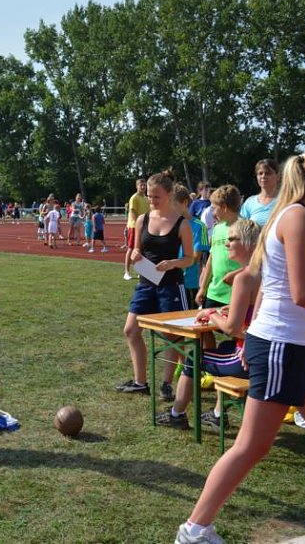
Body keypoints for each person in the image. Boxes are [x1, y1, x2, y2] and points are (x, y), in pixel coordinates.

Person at [175, 145, 305, 544]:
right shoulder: (296, 217)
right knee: (251, 447)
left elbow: (277, 287)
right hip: (281, 346)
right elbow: (301, 294)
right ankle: (194, 531)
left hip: (298, 345)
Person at [156, 218, 260, 432]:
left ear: (248, 243)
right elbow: (252, 313)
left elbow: (232, 328)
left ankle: (177, 414)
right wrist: (225, 311)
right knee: (222, 349)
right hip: (263, 352)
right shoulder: (262, 271)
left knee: (194, 357)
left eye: (232, 239)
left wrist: (211, 313)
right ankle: (217, 414)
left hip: (250, 359)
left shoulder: (245, 277)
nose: (226, 244)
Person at [117, 170, 193, 399]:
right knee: (131, 330)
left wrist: (172, 263)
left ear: (169, 194)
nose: (151, 200)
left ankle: (166, 384)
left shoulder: (182, 224)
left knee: (172, 335)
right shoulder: (143, 219)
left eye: (156, 196)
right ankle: (140, 381)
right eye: (149, 196)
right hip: (146, 282)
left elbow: (190, 258)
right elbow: (137, 248)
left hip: (171, 285)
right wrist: (136, 256)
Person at [196, 185, 243, 349]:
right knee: (203, 328)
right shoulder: (217, 229)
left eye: (214, 208)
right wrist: (203, 287)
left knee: (237, 332)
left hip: (234, 294)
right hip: (214, 292)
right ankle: (209, 365)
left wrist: (236, 274)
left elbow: (256, 261)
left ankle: (237, 362)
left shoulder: (244, 228)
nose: (213, 212)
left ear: (224, 207)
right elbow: (211, 259)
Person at [239, 158, 280, 226]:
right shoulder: (250, 203)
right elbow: (241, 228)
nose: (263, 176)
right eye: (260, 173)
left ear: (278, 176)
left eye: (268, 173)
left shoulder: (285, 200)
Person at [124, 179, 150, 280]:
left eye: (144, 185)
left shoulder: (146, 198)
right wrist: (140, 225)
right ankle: (126, 272)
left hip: (144, 227)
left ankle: (140, 271)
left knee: (141, 250)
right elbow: (133, 214)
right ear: (137, 186)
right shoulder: (134, 198)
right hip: (134, 227)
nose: (143, 187)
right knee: (131, 248)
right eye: (141, 185)